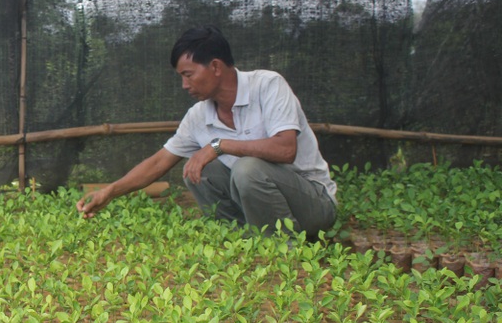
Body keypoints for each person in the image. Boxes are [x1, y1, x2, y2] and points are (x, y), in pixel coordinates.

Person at [77, 25, 337, 237]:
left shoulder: (268, 86)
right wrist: (109, 192)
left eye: (188, 74)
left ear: (214, 67)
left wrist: (218, 145)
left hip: (313, 204)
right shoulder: (199, 115)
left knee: (247, 169)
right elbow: (159, 162)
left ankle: (282, 248)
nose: (184, 85)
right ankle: (239, 239)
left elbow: (285, 149)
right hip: (261, 208)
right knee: (198, 169)